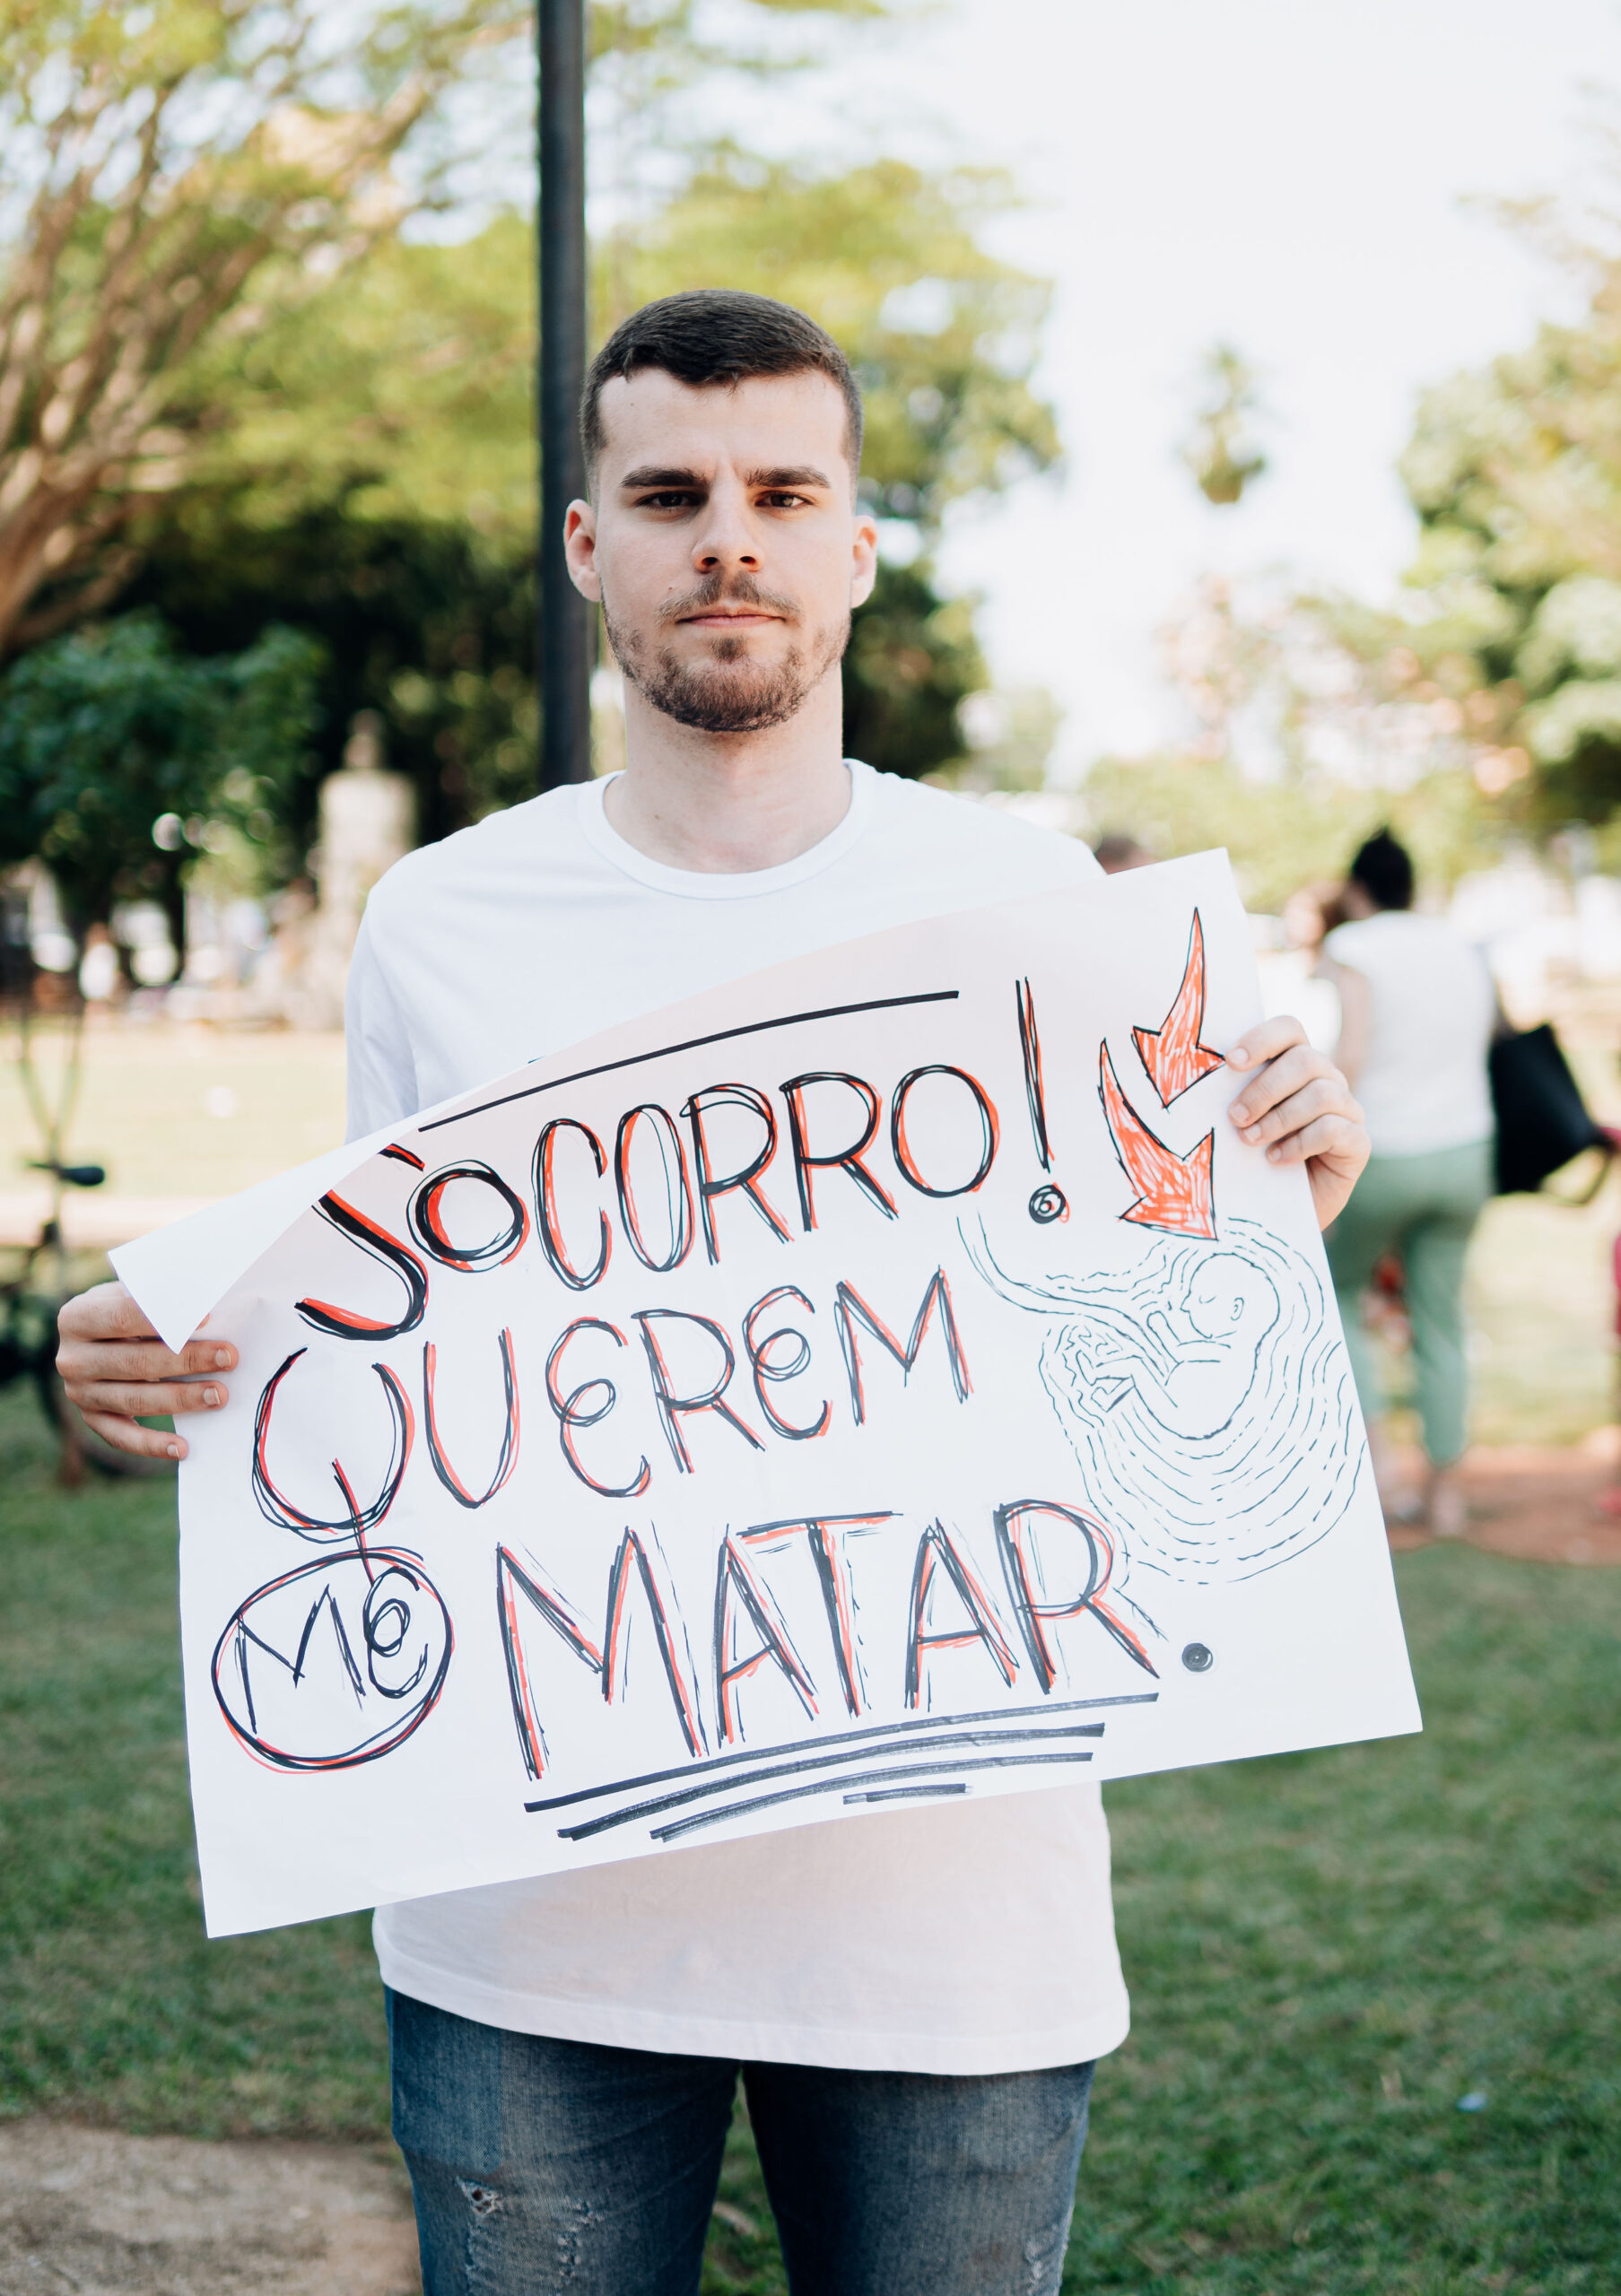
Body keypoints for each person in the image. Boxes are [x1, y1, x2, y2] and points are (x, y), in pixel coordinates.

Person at [56, 291, 1370, 2296]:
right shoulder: (440, 921)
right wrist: (157, 1360)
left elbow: (1143, 1336)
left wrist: (1284, 1189)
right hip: (528, 1928)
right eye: (668, 491)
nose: (725, 537)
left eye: (783, 491)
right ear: (590, 543)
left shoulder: (1034, 900)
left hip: (953, 1933)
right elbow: (386, 1365)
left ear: (855, 544)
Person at [1317, 827, 1495, 1537]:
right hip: (1465, 1151)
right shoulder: (1456, 943)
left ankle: (1383, 1474)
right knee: (1440, 1317)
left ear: (1357, 889)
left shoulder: (1352, 947)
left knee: (1340, 1295)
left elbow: (1350, 1050)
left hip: (1383, 1153)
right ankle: (1445, 1496)